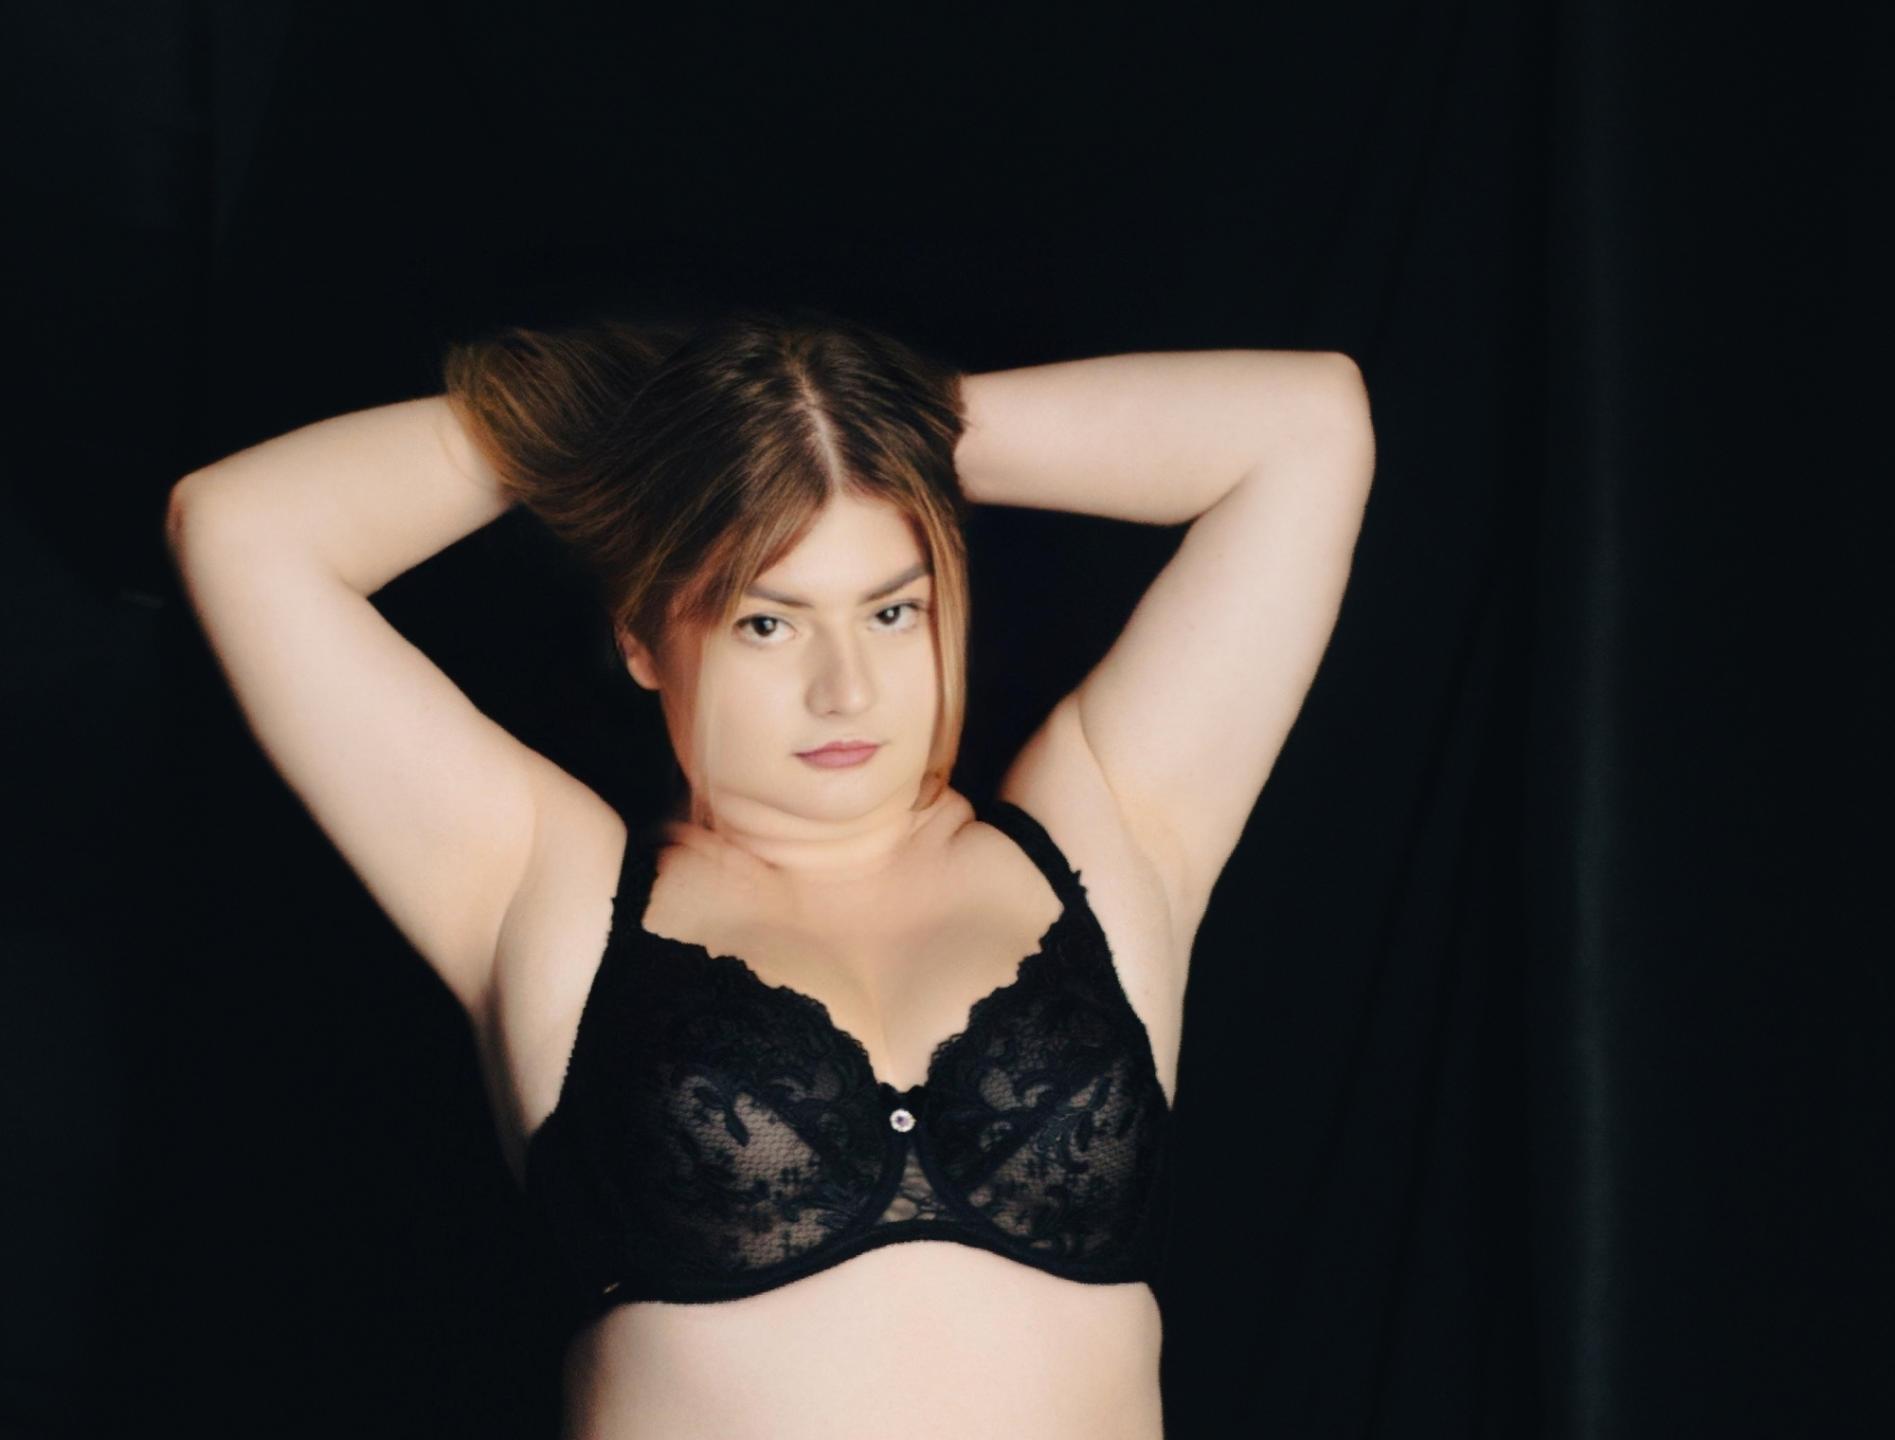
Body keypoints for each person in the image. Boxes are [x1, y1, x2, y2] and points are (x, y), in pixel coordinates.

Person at [164, 304, 1374, 1438]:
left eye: (891, 612)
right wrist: (665, 428)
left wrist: (848, 427)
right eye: (766, 621)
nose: (844, 689)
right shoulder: (542, 886)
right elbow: (241, 528)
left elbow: (1304, 425)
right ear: (644, 637)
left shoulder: (1105, 829)